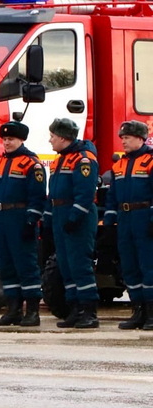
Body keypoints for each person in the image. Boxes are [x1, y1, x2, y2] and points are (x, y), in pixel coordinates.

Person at [0, 121, 46, 327]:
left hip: (19, 218)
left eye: (11, 139)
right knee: (6, 265)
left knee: (26, 265)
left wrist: (31, 221)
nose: (7, 143)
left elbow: (37, 197)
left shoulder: (31, 164)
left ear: (21, 140)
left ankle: (32, 311)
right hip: (1, 219)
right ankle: (13, 309)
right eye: (5, 139)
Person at [45, 117, 100, 329]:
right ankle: (75, 308)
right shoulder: (60, 160)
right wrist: (50, 217)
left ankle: (89, 311)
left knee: (79, 263)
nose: (50, 141)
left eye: (52, 137)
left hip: (77, 216)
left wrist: (74, 217)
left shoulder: (84, 159)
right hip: (61, 213)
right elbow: (54, 193)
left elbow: (85, 194)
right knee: (66, 265)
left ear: (63, 137)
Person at [102, 120, 153, 330]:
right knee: (129, 266)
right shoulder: (119, 165)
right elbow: (112, 196)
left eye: (127, 138)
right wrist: (109, 221)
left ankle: (151, 312)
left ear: (140, 139)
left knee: (148, 265)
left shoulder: (150, 161)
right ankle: (138, 310)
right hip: (125, 219)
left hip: (143, 216)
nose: (123, 141)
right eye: (122, 138)